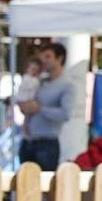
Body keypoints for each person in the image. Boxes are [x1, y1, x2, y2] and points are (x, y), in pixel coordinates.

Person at [17, 42, 74, 171]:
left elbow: (65, 114)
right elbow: (25, 103)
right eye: (42, 57)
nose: (43, 61)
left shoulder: (67, 85)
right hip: (28, 140)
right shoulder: (39, 82)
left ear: (59, 59)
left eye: (48, 56)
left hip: (47, 143)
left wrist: (40, 108)